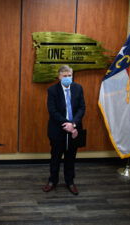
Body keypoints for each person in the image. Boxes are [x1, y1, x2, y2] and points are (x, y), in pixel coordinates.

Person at [42, 65, 85, 195]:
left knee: (71, 157)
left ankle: (70, 182)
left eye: (69, 76)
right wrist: (66, 123)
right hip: (58, 129)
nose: (67, 78)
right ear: (59, 76)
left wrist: (74, 124)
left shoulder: (78, 88)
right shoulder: (52, 90)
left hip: (74, 130)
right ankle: (52, 181)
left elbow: (82, 108)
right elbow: (52, 110)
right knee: (55, 157)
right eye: (65, 76)